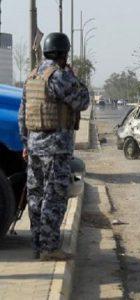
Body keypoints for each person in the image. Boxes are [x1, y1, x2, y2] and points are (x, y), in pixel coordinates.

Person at [18, 32, 90, 260]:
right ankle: (50, 249)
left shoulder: (31, 77)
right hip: (56, 148)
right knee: (54, 197)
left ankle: (38, 246)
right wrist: (75, 78)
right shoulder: (58, 76)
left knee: (36, 198)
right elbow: (82, 101)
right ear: (63, 54)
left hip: (34, 147)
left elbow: (22, 115)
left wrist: (26, 143)